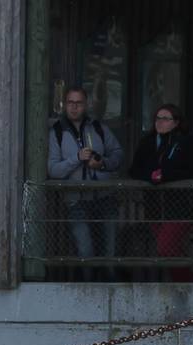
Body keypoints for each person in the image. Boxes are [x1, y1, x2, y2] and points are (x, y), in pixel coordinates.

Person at [47, 86, 124, 280]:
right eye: (70, 103)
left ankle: (110, 287)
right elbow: (53, 170)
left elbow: (118, 155)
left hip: (104, 198)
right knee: (85, 250)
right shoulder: (56, 132)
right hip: (76, 200)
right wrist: (77, 158)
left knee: (110, 250)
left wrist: (102, 164)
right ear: (65, 105)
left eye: (79, 103)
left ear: (86, 104)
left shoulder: (99, 127)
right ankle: (88, 287)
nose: (74, 107)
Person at [128, 103, 193, 282]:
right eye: (158, 118)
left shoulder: (186, 143)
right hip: (155, 207)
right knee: (169, 250)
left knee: (165, 247)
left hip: (180, 207)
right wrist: (150, 175)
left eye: (166, 119)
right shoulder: (147, 142)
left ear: (176, 123)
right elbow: (134, 170)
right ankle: (184, 282)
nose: (160, 122)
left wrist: (166, 175)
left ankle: (189, 283)